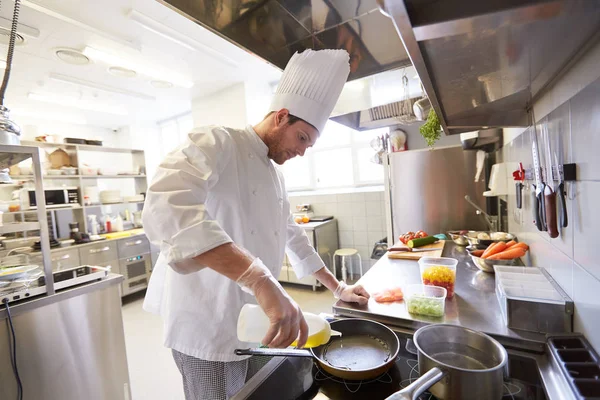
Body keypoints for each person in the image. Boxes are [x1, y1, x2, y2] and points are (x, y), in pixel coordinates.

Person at [142, 49, 370, 400]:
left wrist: (337, 288)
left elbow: (293, 236)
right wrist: (259, 279)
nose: (303, 151)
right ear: (281, 117)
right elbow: (166, 204)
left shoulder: (275, 176)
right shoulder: (218, 142)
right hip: (208, 326)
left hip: (257, 323)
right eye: (303, 138)